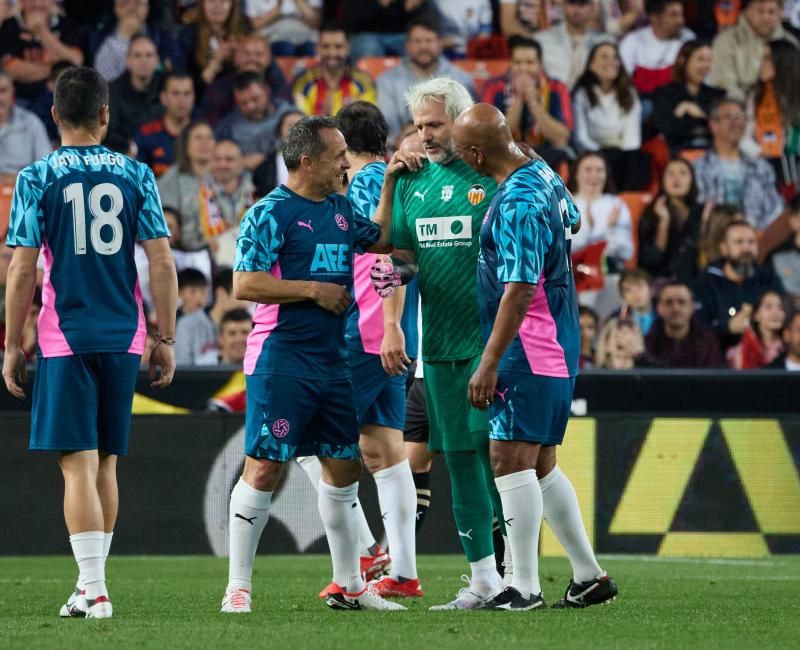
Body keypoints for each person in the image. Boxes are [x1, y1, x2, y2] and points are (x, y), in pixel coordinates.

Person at [2, 66, 177, 620]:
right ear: (105, 114)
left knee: (75, 464)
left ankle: (94, 588)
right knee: (105, 463)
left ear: (53, 115)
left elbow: (22, 269)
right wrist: (164, 335)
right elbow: (161, 260)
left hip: (66, 334)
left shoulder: (36, 177)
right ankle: (90, 586)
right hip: (123, 334)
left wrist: (11, 343)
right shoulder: (136, 173)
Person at [219, 115, 405, 613]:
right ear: (307, 161)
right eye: (338, 155)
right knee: (263, 468)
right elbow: (245, 284)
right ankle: (238, 586)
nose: (346, 163)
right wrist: (311, 290)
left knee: (342, 468)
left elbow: (382, 241)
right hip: (281, 360)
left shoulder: (342, 210)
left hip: (332, 362)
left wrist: (387, 182)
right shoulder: (269, 212)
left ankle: (352, 584)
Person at [453, 102, 617, 610]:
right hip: (558, 341)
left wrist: (489, 359)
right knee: (542, 462)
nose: (462, 161)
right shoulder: (541, 173)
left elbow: (521, 288)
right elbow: (571, 217)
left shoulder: (518, 202)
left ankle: (522, 586)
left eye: (463, 152)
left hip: (529, 344)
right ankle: (589, 576)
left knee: (509, 458)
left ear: (478, 153)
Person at [369, 79, 507, 610]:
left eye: (435, 125)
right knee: (461, 461)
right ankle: (484, 582)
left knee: (499, 456)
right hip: (441, 347)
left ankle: (520, 572)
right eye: (419, 126)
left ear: (462, 121)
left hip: (494, 341)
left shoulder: (493, 175)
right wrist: (391, 323)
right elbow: (392, 255)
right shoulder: (411, 180)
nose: (424, 136)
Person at [296, 101, 422, 600]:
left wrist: (386, 325)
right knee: (386, 450)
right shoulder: (399, 181)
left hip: (362, 334)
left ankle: (361, 558)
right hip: (393, 334)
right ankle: (404, 572)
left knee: (313, 441)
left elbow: (387, 259)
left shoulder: (360, 186)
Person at [376, 17, 475, 145]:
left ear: (440, 44)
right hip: (401, 150)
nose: (423, 46)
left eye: (429, 41)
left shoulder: (461, 79)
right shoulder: (386, 80)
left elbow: (466, 123)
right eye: (417, 41)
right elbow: (388, 126)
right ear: (407, 46)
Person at [693, 98, 785, 231]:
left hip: (754, 242)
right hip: (711, 240)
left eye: (741, 116)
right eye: (729, 116)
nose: (736, 122)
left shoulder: (762, 168)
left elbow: (774, 211)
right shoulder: (698, 168)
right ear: (713, 125)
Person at [693, 219, 785, 351]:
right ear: (724, 248)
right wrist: (728, 328)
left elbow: (785, 314)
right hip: (718, 358)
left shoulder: (768, 278)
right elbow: (697, 331)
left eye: (751, 242)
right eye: (739, 242)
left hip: (766, 358)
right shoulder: (705, 283)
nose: (746, 248)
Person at [481, 37, 572, 169]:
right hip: (505, 156)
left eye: (530, 63)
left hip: (546, 158)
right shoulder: (493, 88)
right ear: (510, 63)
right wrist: (518, 100)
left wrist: (533, 103)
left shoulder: (557, 88)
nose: (523, 68)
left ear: (540, 64)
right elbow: (491, 138)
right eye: (518, 62)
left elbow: (561, 138)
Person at [572, 42, 647, 190]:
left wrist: (620, 154)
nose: (611, 62)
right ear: (591, 64)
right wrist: (600, 154)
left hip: (622, 153)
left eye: (615, 57)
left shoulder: (629, 93)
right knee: (598, 162)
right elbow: (581, 137)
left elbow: (632, 138)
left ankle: (625, 201)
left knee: (639, 160)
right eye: (604, 57)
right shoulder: (582, 94)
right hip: (593, 150)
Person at [711, 0, 799, 102]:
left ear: (780, 13)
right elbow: (723, 84)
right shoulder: (725, 41)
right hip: (737, 110)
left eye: (771, 11)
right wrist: (751, 107)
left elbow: (794, 85)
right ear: (747, 11)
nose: (766, 17)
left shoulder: (790, 43)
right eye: (760, 11)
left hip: (783, 108)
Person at [741, 39, 800, 189]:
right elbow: (743, 137)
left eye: (767, 58)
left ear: (783, 62)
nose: (761, 64)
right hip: (762, 165)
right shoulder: (755, 95)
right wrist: (759, 152)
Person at [0, 0, 85, 104]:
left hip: (64, 98)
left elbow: (76, 61)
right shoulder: (10, 26)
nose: (37, 3)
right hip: (23, 101)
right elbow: (11, 70)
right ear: (21, 2)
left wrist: (42, 31)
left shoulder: (67, 25)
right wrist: (59, 69)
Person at [201, 33, 290, 127]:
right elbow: (211, 126)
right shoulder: (219, 89)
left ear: (269, 59)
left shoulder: (278, 84)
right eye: (246, 54)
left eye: (259, 55)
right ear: (236, 58)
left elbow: (289, 116)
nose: (252, 59)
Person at [652, 40, 725, 153]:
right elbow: (667, 129)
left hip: (712, 154)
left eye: (709, 60)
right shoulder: (664, 93)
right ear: (683, 61)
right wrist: (678, 115)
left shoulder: (718, 95)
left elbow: (724, 131)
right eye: (700, 59)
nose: (706, 65)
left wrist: (700, 115)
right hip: (678, 156)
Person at [638, 158, 704, 281]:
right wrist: (664, 222)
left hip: (694, 280)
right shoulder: (651, 213)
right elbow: (652, 259)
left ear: (692, 180)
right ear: (663, 181)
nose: (676, 179)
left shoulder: (701, 212)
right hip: (658, 280)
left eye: (683, 173)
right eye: (670, 174)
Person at [568, 152, 634, 274]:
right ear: (576, 174)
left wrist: (609, 229)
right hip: (572, 272)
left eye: (599, 170)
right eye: (588, 169)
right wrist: (606, 231)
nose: (594, 175)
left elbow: (626, 251)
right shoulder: (566, 205)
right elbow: (566, 248)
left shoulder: (616, 205)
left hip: (608, 271)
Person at [157, 120, 217, 252]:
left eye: (209, 137)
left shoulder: (224, 173)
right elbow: (167, 223)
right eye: (198, 138)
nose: (205, 143)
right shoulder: (171, 179)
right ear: (186, 145)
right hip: (185, 253)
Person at [291, 24, 376, 117]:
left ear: (348, 48)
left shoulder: (363, 83)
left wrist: (358, 115)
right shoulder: (304, 83)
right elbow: (300, 125)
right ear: (317, 48)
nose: (332, 53)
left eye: (338, 46)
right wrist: (322, 116)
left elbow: (372, 121)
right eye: (326, 46)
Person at [618, 0, 694, 100]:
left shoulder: (688, 37)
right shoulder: (632, 41)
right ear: (655, 18)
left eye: (681, 14)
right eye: (674, 15)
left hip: (677, 98)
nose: (681, 20)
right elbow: (623, 81)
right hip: (641, 100)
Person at [176, 267, 250, 366]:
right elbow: (182, 370)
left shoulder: (250, 322)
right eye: (241, 295)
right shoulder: (187, 325)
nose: (246, 303)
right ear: (221, 294)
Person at [216, 71, 288, 170]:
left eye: (255, 99)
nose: (250, 106)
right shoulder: (228, 127)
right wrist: (240, 162)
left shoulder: (288, 115)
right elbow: (215, 160)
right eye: (243, 103)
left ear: (266, 91)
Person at [91, 0, 178, 82]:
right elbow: (103, 79)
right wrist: (123, 37)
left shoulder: (162, 36)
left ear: (147, 8)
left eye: (138, 3)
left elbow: (172, 74)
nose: (131, 8)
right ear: (116, 8)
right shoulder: (98, 36)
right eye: (125, 2)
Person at [645, 281, 725, 367]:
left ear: (692, 307)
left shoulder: (709, 344)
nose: (676, 308)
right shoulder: (647, 345)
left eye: (682, 302)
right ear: (659, 308)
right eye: (669, 302)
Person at [136, 71, 196, 178]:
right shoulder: (147, 134)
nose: (182, 100)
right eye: (175, 93)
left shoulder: (204, 135)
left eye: (187, 94)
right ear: (163, 98)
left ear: (193, 98)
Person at [534, 0, 604, 89]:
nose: (577, 9)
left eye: (582, 4)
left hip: (591, 100)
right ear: (563, 5)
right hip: (552, 99)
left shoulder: (601, 43)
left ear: (591, 8)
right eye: (572, 3)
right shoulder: (542, 40)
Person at [180, 0, 250, 88]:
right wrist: (216, 61)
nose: (217, 6)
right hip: (206, 95)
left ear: (232, 5)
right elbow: (190, 87)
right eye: (211, 1)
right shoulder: (189, 36)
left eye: (223, 1)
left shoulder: (244, 28)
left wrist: (241, 55)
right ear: (202, 5)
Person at [107, 35, 163, 143]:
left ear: (157, 60)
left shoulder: (167, 86)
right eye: (137, 55)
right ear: (128, 61)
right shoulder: (112, 91)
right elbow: (108, 132)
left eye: (149, 55)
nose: (144, 60)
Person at [208, 139, 255, 266]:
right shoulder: (198, 191)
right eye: (218, 159)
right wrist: (205, 239)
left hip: (250, 263)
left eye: (229, 159)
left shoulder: (256, 190)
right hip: (211, 261)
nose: (223, 164)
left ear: (241, 161)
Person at [0, 70, 51, 177]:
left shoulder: (31, 123)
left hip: (22, 190)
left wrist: (17, 180)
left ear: (13, 93)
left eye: (3, 91)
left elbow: (46, 169)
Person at [343, 0, 429, 62]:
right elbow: (353, 20)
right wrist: (378, 4)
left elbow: (425, 22)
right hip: (365, 34)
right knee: (369, 47)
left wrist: (412, 7)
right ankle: (367, 86)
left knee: (423, 45)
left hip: (402, 34)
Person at [251, 109, 305, 197]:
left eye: (301, 125)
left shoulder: (322, 161)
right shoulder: (265, 167)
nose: (296, 130)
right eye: (290, 125)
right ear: (279, 132)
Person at [731, 289, 786, 368]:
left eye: (780, 307)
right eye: (768, 307)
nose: (776, 312)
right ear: (756, 315)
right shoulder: (742, 348)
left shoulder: (790, 344)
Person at [244, 0, 321, 56]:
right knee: (286, 48)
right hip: (274, 38)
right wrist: (277, 10)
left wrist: (298, 2)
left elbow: (315, 21)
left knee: (309, 49)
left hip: (305, 38)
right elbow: (255, 25)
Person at [617, 268, 656, 335]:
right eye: (628, 290)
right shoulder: (616, 320)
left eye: (639, 287)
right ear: (623, 297)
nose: (635, 294)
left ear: (651, 290)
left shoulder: (666, 315)